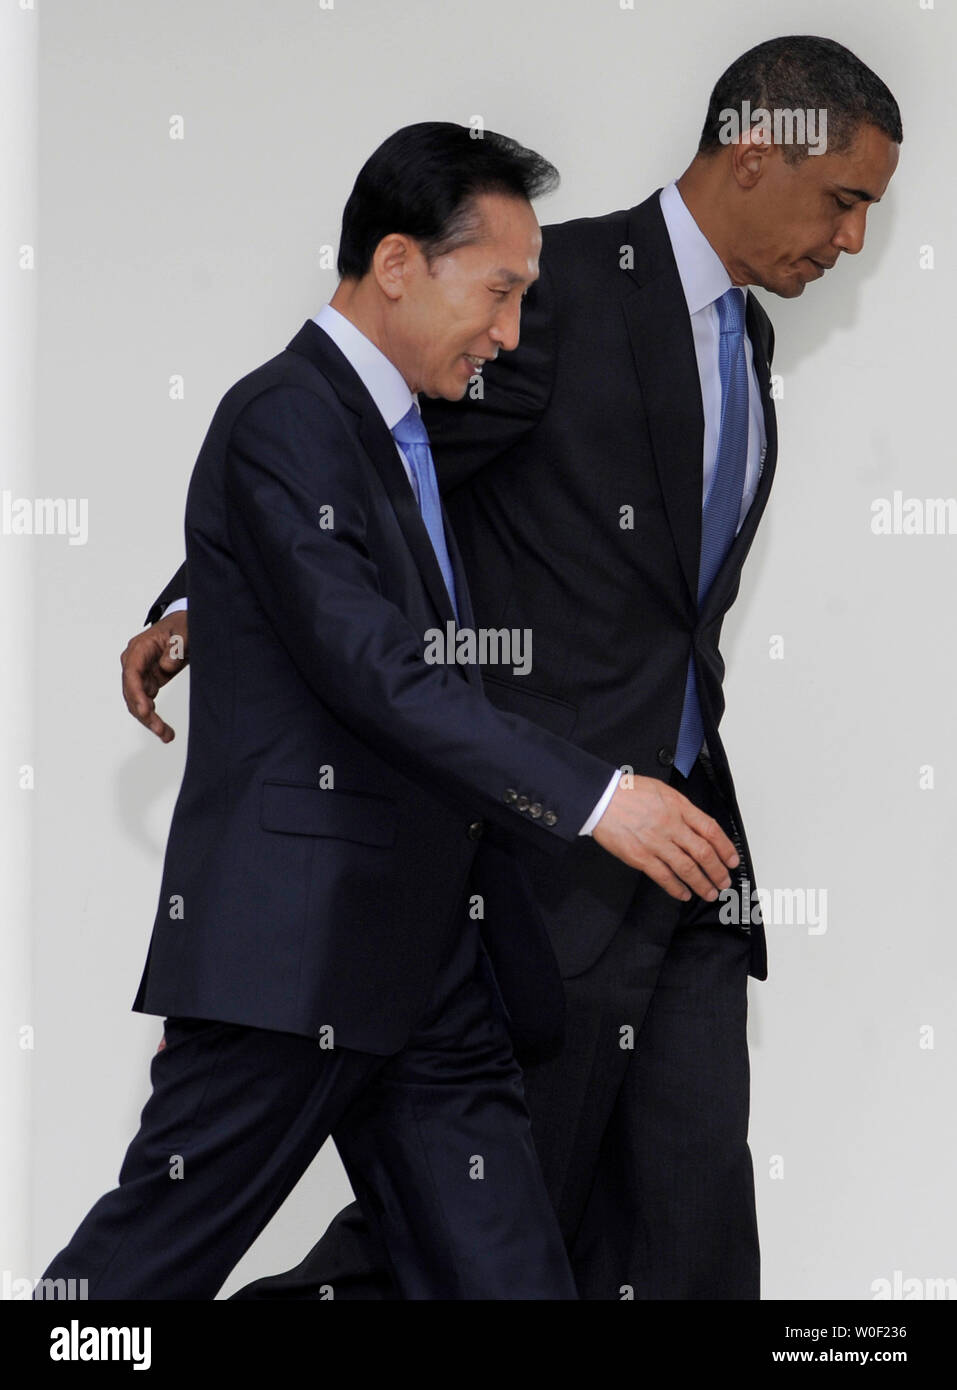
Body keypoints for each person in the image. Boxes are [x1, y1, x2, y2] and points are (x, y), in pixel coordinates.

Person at [126, 34, 903, 1302]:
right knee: (477, 1241)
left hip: (690, 859)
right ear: (757, 156)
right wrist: (206, 597)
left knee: (693, 1234)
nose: (855, 241)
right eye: (846, 201)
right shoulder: (555, 289)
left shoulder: (747, 345)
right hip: (549, 862)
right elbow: (375, 442)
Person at [42, 122, 740, 1302]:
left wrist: (202, 603)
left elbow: (333, 600)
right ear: (401, 262)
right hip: (293, 964)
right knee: (128, 1289)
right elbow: (378, 673)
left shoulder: (399, 428)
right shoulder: (285, 416)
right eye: (502, 292)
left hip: (434, 971)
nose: (513, 335)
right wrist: (598, 796)